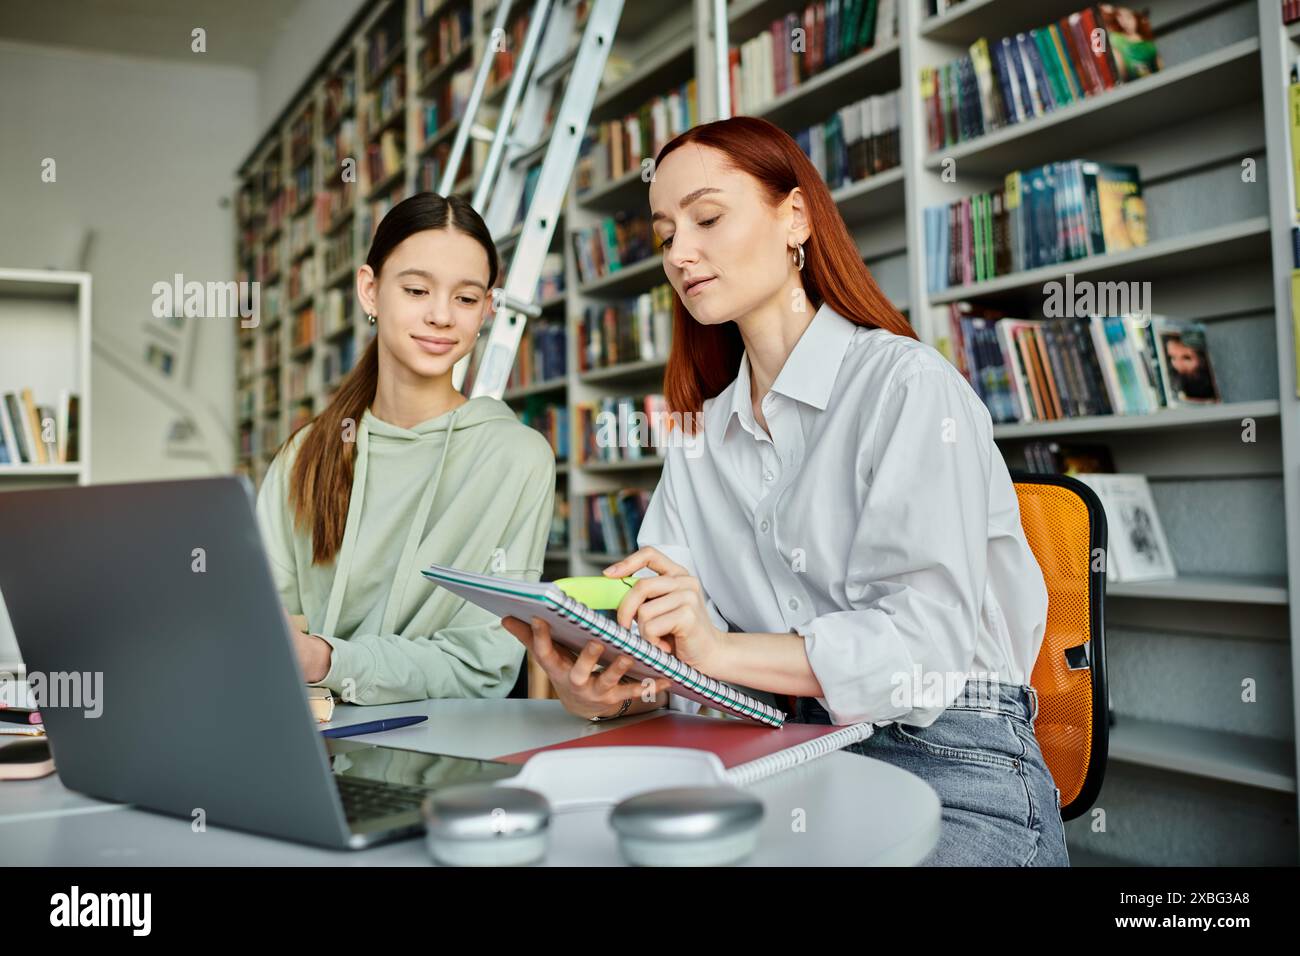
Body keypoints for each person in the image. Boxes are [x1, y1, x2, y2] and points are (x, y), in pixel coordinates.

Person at [504, 117, 1067, 866]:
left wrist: (719, 648)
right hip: (778, 749)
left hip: (953, 761)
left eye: (707, 218)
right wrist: (618, 683)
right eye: (667, 233)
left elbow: (920, 650)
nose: (680, 253)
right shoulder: (700, 437)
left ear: (794, 217)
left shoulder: (906, 387)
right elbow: (682, 646)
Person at [257, 192, 555, 706]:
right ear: (370, 291)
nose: (441, 316)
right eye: (417, 289)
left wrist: (328, 660)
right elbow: (263, 626)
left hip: (445, 753)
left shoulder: (516, 458)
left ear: (487, 309)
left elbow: (481, 667)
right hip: (308, 739)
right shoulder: (305, 455)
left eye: (465, 299)